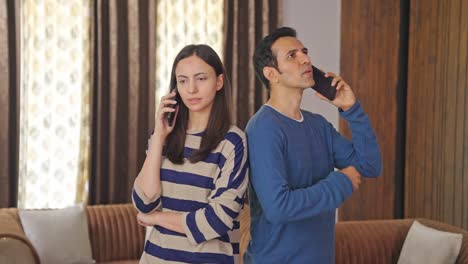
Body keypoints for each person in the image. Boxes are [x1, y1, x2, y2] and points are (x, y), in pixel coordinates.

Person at [244, 27, 382, 263]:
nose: (305, 59)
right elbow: (279, 207)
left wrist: (351, 109)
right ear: (271, 74)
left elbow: (369, 166)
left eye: (304, 52)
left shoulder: (318, 126)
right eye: (292, 55)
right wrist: (340, 182)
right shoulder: (263, 129)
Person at [132, 44, 249, 264]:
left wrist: (157, 218)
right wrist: (158, 136)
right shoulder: (161, 138)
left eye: (201, 78)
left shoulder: (232, 142)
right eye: (182, 80)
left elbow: (217, 220)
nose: (191, 89)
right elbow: (143, 203)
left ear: (219, 82)